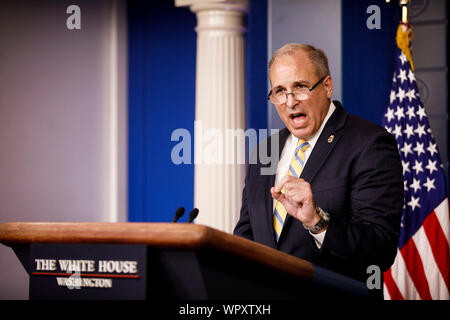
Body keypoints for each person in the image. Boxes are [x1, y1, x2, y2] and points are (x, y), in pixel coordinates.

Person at [234, 43, 404, 288]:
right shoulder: (264, 151)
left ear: (327, 86)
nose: (290, 102)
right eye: (279, 91)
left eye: (300, 87)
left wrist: (317, 221)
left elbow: (379, 250)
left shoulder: (370, 143)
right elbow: (246, 237)